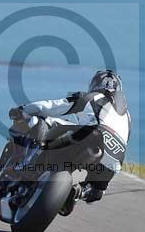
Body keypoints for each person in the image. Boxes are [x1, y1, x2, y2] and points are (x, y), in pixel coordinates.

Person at [8, 69, 131, 211]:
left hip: (92, 136)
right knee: (96, 191)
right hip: (116, 158)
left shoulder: (90, 97)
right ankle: (79, 192)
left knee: (43, 120)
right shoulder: (127, 117)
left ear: (94, 84)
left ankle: (29, 164)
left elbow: (52, 106)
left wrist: (23, 110)